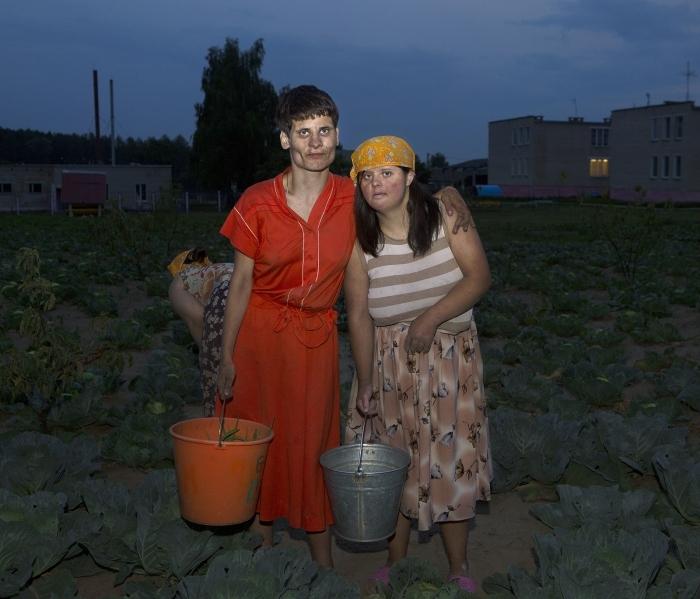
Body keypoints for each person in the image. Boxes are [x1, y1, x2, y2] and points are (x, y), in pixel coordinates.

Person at [215, 85, 473, 568]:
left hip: (314, 336)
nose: (315, 143)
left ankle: (322, 562)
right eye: (303, 132)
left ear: (337, 137)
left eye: (324, 131)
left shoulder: (351, 197)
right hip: (256, 335)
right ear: (284, 140)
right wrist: (226, 355)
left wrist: (447, 195)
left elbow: (399, 197)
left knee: (313, 442)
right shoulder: (256, 201)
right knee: (255, 437)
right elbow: (242, 283)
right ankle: (261, 545)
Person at [343, 135, 492, 592]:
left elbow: (479, 277)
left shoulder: (447, 214)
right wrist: (365, 380)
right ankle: (395, 561)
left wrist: (429, 319)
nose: (376, 182)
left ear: (409, 177)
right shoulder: (360, 242)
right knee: (396, 464)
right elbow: (358, 316)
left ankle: (458, 568)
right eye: (366, 176)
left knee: (452, 463)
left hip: (450, 360)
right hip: (390, 368)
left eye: (387, 172)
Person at [167, 248, 233, 415]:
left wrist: (207, 355)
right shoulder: (218, 269)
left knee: (215, 373)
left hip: (225, 302)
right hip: (253, 295)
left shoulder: (177, 284)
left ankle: (217, 422)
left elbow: (200, 320)